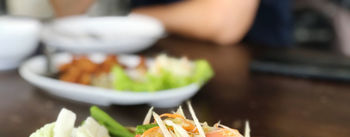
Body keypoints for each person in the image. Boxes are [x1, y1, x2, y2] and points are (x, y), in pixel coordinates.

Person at [50, 0, 292, 46]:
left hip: (251, 70)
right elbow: (67, 9)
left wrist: (132, 21)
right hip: (149, 66)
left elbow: (224, 22)